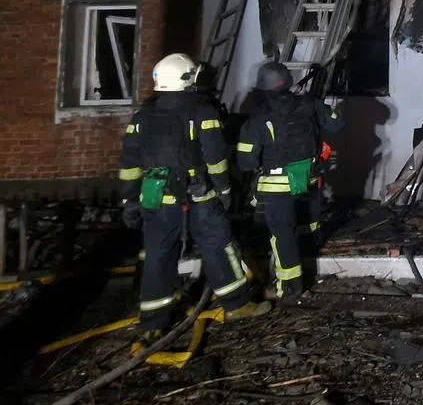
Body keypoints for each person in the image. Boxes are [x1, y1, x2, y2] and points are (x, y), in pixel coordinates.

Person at [119, 53, 270, 341]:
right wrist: (224, 191)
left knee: (157, 255)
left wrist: (130, 202)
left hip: (156, 198)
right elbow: (216, 158)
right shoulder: (201, 111)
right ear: (189, 78)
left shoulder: (141, 117)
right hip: (199, 197)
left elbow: (129, 164)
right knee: (218, 245)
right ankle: (236, 305)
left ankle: (153, 322)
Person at [236, 61, 345, 299]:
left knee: (282, 235)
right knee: (309, 225)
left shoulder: (257, 119)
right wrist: (319, 106)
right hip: (309, 180)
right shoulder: (309, 104)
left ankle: (290, 288)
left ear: (262, 89)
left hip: (277, 188)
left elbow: (246, 161)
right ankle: (310, 268)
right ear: (288, 82)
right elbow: (337, 123)